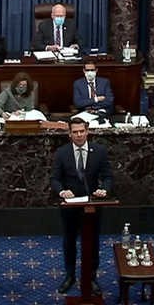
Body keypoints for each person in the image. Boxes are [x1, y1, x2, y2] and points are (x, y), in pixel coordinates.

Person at [50, 118, 113, 295]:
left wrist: (104, 190)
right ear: (69, 134)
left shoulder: (99, 151)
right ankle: (70, 276)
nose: (79, 135)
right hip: (70, 206)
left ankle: (91, 277)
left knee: (93, 242)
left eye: (81, 131)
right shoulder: (62, 153)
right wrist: (61, 191)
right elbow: (54, 179)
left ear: (87, 132)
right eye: (75, 132)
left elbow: (108, 176)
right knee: (69, 241)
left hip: (91, 205)